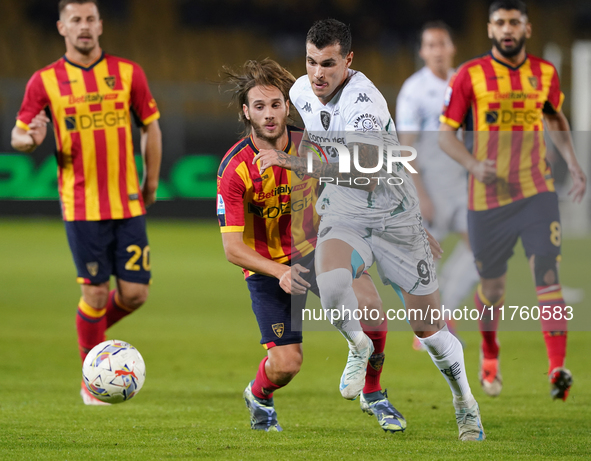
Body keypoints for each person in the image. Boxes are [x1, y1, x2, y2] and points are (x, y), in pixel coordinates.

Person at [254, 19, 484, 441]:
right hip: (344, 212)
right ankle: (358, 346)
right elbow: (273, 109)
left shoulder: (364, 104)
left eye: (328, 63)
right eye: (310, 62)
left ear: (349, 61)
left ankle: (465, 402)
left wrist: (297, 163)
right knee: (332, 275)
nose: (317, 73)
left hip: (393, 215)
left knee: (428, 330)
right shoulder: (302, 90)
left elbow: (366, 173)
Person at [218, 59, 405, 433]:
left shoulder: (314, 146)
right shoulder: (235, 169)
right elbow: (233, 249)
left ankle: (374, 393)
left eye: (275, 105)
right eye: (259, 106)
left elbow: (362, 181)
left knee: (371, 307)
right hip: (269, 266)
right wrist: (280, 271)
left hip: (318, 248)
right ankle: (259, 395)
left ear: (288, 106)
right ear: (246, 111)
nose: (269, 115)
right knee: (287, 365)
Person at [11, 0, 162, 405]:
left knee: (134, 294)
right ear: (61, 27)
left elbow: (150, 126)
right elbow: (19, 135)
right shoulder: (44, 81)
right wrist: (32, 140)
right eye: (75, 20)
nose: (84, 26)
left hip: (127, 201)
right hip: (81, 205)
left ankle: (90, 334)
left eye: (90, 19)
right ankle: (90, 375)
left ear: (100, 25)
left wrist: (150, 183)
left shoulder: (128, 73)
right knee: (95, 294)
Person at [439, 0, 586, 401]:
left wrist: (573, 163)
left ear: (527, 28)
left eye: (514, 23)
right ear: (490, 29)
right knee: (493, 286)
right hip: (487, 200)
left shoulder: (545, 73)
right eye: (500, 22)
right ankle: (490, 353)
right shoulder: (471, 75)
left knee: (548, 276)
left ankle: (557, 369)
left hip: (536, 191)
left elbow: (554, 117)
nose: (507, 29)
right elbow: (445, 135)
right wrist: (472, 163)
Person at [397, 21, 479, 350]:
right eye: (430, 45)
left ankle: (443, 311)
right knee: (424, 259)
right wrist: (419, 191)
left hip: (461, 182)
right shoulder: (414, 90)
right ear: (422, 51)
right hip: (428, 182)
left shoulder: (465, 83)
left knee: (483, 249)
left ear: (451, 48)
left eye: (442, 44)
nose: (437, 51)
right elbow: (406, 146)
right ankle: (428, 326)